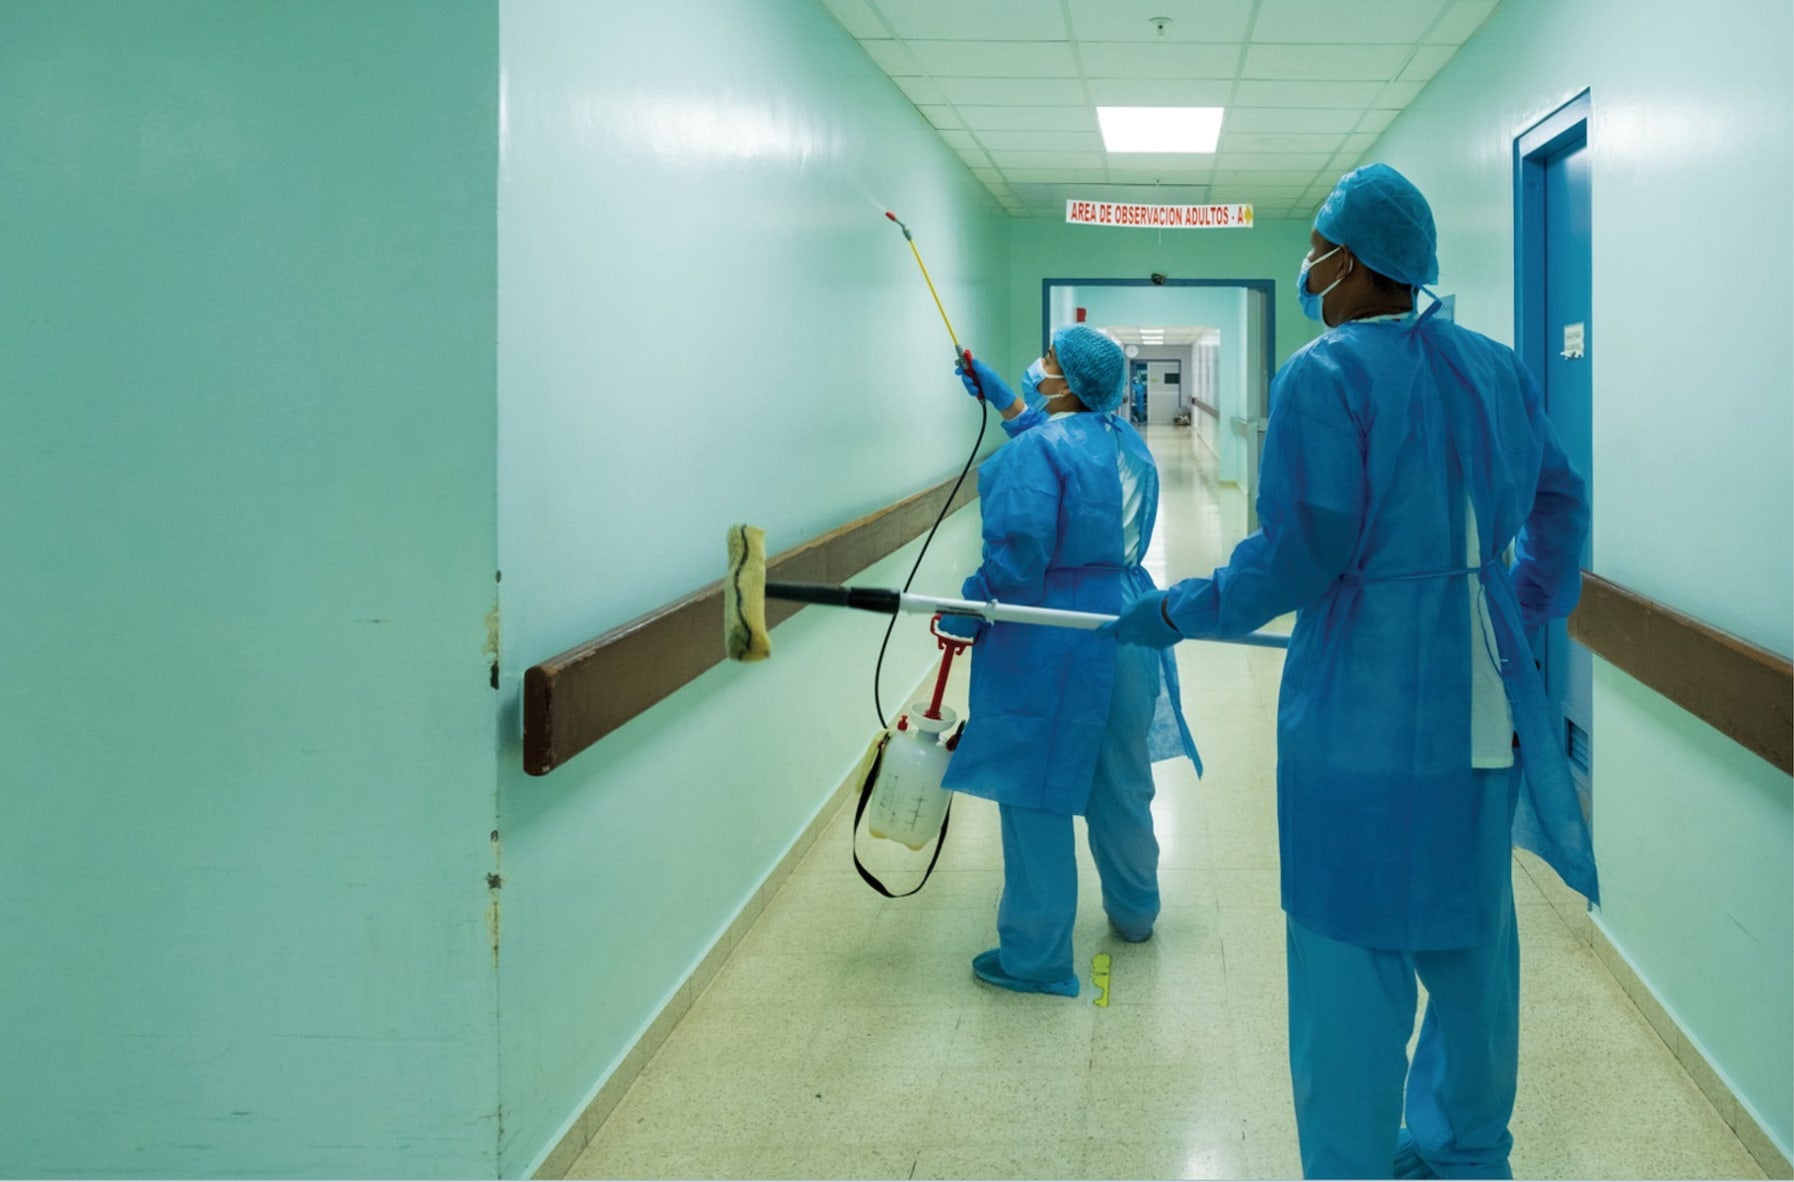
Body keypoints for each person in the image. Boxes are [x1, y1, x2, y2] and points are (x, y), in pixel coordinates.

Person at [1105, 164, 1594, 1179]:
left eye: (1320, 244)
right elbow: (1560, 500)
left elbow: (1299, 555)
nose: (1311, 265)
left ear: (1356, 261)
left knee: (1348, 960)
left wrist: (1176, 610)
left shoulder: (1323, 376)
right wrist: (1521, 607)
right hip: (1481, 702)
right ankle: (1464, 1154)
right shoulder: (1498, 369)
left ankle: (1353, 1162)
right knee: (1470, 940)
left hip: (1359, 713)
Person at [938, 325, 1201, 998]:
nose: (1039, 365)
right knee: (1121, 780)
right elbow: (1069, 468)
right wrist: (1005, 402)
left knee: (1037, 790)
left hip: (1049, 638)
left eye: (1048, 359)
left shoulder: (1041, 453)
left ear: (1067, 380)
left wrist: (968, 607)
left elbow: (1018, 558)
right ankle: (1136, 913)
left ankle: (1035, 956)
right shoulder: (1126, 442)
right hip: (1125, 625)